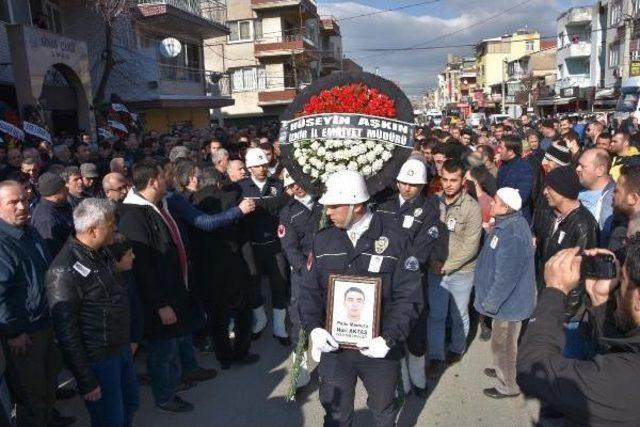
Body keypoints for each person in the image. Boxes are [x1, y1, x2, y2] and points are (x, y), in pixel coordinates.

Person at [299, 170, 423, 427]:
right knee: (336, 415)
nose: (328, 212)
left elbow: (409, 296)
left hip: (379, 349)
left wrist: (389, 338)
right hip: (336, 349)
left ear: (356, 206)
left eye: (334, 206)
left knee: (383, 412)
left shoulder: (395, 239)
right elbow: (309, 292)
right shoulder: (322, 241)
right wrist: (314, 330)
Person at [517, 246, 640, 425]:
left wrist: (555, 290)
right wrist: (601, 301)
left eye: (623, 279)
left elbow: (530, 367)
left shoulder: (628, 383)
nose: (619, 286)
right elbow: (624, 353)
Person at [45, 198, 139, 427]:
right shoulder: (62, 271)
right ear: (92, 230)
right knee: (109, 419)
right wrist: (86, 379)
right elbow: (66, 334)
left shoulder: (102, 252)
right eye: (110, 224)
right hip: (98, 359)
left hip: (120, 349)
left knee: (131, 404)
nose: (115, 228)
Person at [118, 159, 202, 413]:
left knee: (172, 345)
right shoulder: (133, 215)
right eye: (164, 177)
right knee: (162, 351)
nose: (168, 180)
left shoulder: (157, 205)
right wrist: (161, 304)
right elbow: (144, 269)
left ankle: (176, 383)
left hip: (174, 291)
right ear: (153, 182)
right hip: (158, 301)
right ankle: (165, 396)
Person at [0, 181, 66, 427]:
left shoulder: (29, 231)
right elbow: (1, 295)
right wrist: (14, 332)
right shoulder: (3, 242)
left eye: (25, 200)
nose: (21, 206)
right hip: (24, 333)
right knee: (32, 392)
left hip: (45, 321)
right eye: (12, 203)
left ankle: (49, 418)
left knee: (49, 378)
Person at [375, 158, 441, 396]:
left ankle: (419, 380)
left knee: (415, 336)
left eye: (413, 184)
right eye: (403, 182)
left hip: (411, 283)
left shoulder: (429, 211)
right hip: (383, 280)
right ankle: (400, 381)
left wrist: (397, 263)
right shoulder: (383, 204)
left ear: (422, 186)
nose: (407, 188)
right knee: (391, 330)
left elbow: (421, 250)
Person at [190, 168, 259, 370]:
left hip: (204, 270)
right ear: (219, 183)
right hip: (232, 267)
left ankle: (223, 357)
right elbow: (243, 237)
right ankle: (240, 351)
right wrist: (251, 267)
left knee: (215, 317)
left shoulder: (189, 202)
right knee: (242, 313)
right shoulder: (231, 199)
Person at [473, 188, 536, 399]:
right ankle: (502, 369)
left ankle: (507, 384)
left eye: (495, 202)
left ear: (506, 208)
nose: (491, 204)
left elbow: (506, 277)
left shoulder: (511, 233)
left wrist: (490, 304)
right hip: (504, 303)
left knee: (505, 344)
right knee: (501, 343)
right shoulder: (505, 226)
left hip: (508, 304)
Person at [427, 159, 482, 378]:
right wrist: (432, 261)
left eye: (454, 180)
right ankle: (436, 356)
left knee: (459, 313)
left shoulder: (471, 208)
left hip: (462, 271)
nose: (449, 184)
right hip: (435, 269)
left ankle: (456, 349)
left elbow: (471, 245)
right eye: (445, 179)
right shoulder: (433, 203)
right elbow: (426, 236)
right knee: (436, 315)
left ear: (462, 180)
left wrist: (447, 266)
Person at [238, 148, 290, 344]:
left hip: (275, 244)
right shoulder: (240, 187)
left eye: (264, 165)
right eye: (257, 165)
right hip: (251, 246)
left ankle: (279, 326)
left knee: (279, 283)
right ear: (249, 167)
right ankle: (260, 321)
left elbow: (285, 203)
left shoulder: (278, 184)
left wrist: (263, 205)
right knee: (253, 285)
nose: (261, 169)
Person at [278, 169, 322, 388]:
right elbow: (290, 248)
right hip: (303, 273)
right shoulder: (287, 213)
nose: (297, 187)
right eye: (291, 185)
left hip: (327, 269)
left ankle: (328, 366)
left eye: (299, 182)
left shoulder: (324, 201)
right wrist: (306, 271)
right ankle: (299, 373)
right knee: (299, 320)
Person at [577, 149, 616, 246]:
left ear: (600, 170)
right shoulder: (579, 189)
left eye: (583, 166)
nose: (577, 169)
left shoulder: (612, 200)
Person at [30, 172, 73, 258]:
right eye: (64, 187)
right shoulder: (46, 220)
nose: (67, 188)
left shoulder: (62, 205)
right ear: (56, 194)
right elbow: (53, 251)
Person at [496, 135, 534, 222]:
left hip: (517, 219)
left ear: (510, 152)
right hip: (502, 216)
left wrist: (501, 207)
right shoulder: (503, 165)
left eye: (501, 148)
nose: (498, 150)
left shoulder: (524, 168)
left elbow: (521, 197)